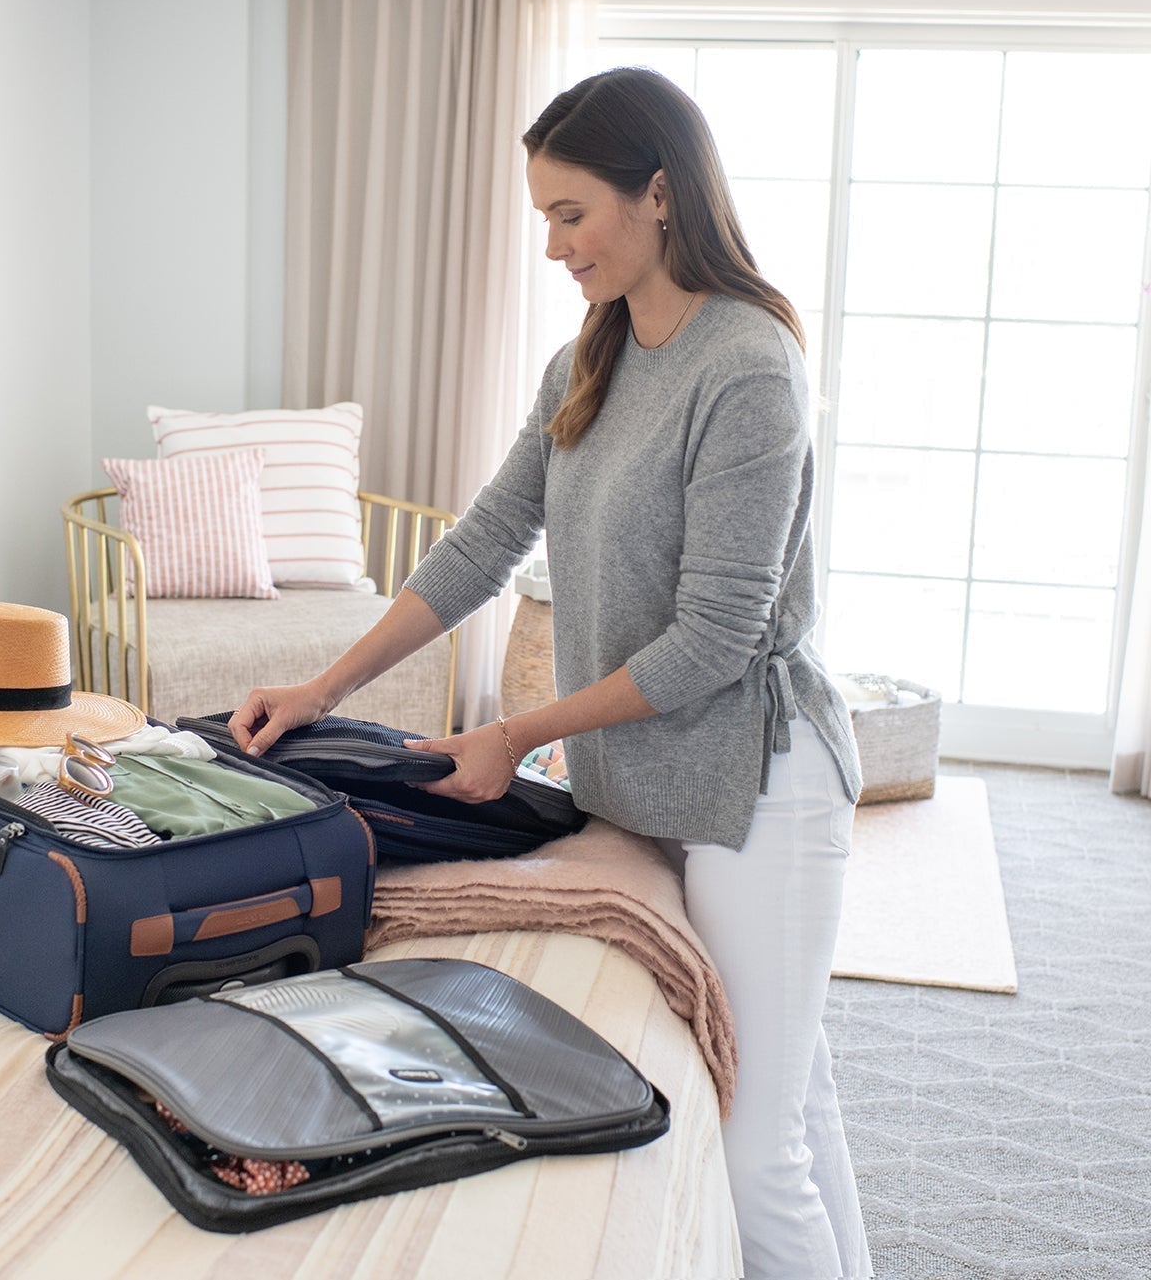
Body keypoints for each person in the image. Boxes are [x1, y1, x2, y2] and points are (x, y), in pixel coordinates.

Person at [230, 66, 869, 1279]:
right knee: (795, 1095)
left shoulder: (749, 364)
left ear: (660, 194)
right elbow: (481, 544)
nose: (553, 246)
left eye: (571, 214)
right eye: (543, 218)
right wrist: (325, 689)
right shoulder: (590, 358)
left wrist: (515, 731)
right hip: (644, 782)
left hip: (758, 783)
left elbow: (714, 637)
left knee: (752, 1141)